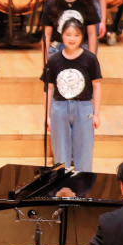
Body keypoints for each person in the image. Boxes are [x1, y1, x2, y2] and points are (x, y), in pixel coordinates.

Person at [44, 18, 102, 172]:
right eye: (68, 34)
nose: (72, 38)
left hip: (83, 107)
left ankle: (83, 192)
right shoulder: (54, 59)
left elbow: (96, 87)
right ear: (62, 35)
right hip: (59, 107)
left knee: (84, 154)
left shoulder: (90, 59)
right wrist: (47, 116)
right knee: (60, 157)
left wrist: (96, 114)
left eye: (76, 35)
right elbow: (49, 89)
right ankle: (61, 193)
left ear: (82, 36)